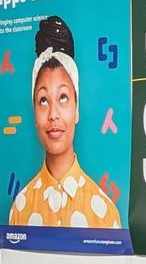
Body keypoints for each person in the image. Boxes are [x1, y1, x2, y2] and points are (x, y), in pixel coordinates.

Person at [7, 15, 123, 231]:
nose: (53, 114)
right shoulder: (19, 210)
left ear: (76, 109)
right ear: (34, 113)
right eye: (43, 100)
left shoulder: (105, 213)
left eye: (63, 98)